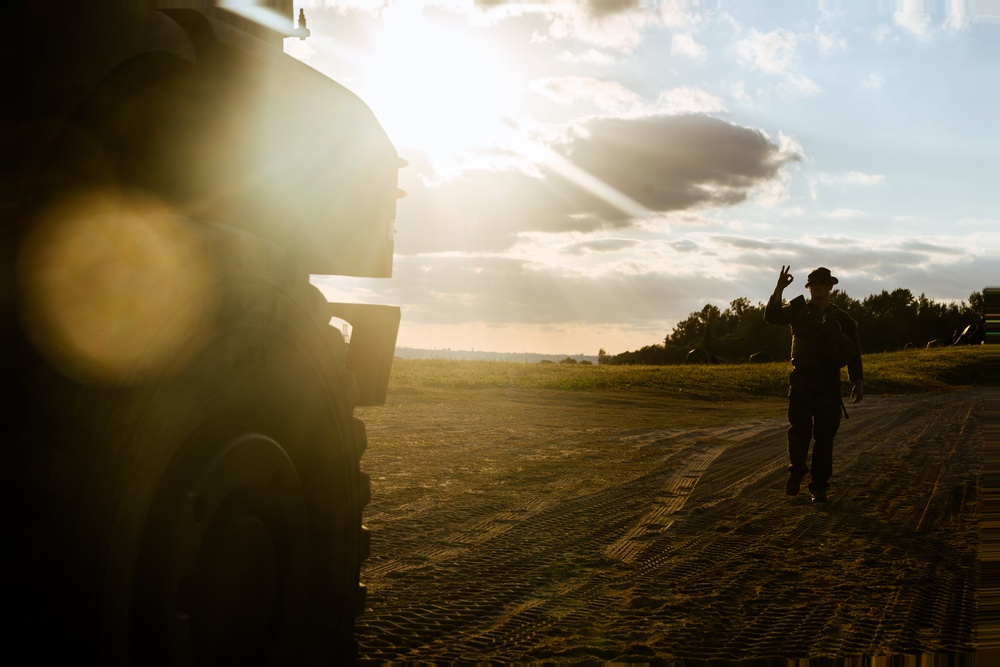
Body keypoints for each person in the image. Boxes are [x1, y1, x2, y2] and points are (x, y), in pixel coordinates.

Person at [764, 266, 863, 503]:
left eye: (822, 283)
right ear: (809, 288)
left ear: (830, 287)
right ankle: (796, 472)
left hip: (829, 381)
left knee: (825, 435)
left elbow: (854, 351)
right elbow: (771, 317)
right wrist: (779, 288)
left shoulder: (842, 319)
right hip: (803, 379)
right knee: (799, 429)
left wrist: (857, 380)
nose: (817, 287)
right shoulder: (798, 311)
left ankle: (819, 485)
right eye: (813, 283)